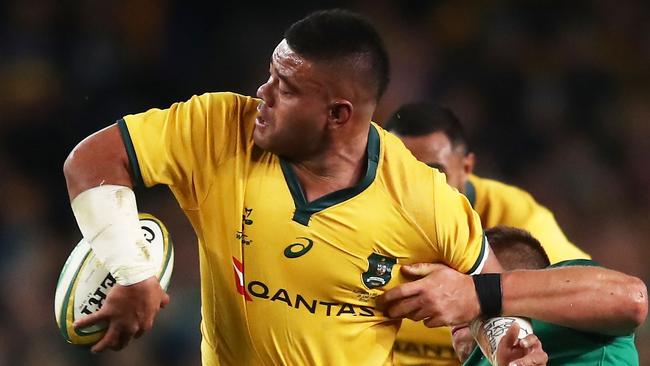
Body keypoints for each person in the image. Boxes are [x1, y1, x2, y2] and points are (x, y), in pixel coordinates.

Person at [63, 9, 640, 365]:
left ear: (338, 114)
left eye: (285, 87)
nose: (261, 94)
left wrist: (509, 339)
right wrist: (132, 270)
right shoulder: (219, 128)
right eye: (269, 73)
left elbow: (489, 293)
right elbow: (91, 161)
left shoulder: (424, 201)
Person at [383, 102, 591, 365]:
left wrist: (480, 292)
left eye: (435, 172)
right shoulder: (361, 212)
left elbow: (584, 292)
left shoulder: (519, 219)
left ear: (467, 168)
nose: (419, 190)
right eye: (405, 172)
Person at [455, 226, 642, 365]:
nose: (456, 306)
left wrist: (485, 292)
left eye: (468, 284)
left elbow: (632, 299)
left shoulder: (573, 311)